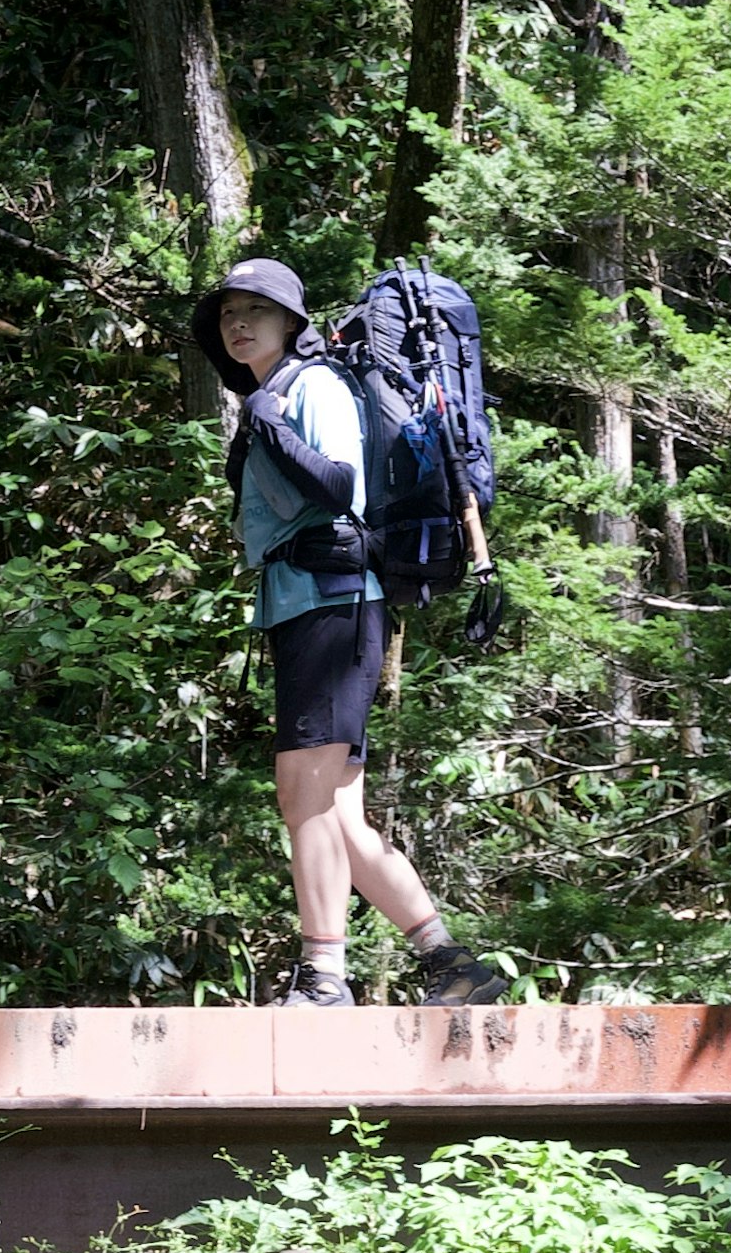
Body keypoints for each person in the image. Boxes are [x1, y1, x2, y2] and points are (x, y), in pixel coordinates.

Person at [192, 255, 511, 1007]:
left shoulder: (315, 386)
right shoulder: (275, 393)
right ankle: (451, 965)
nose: (239, 323)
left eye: (256, 311)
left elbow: (339, 485)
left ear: (292, 321)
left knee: (300, 796)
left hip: (333, 607)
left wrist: (270, 425)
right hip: (310, 606)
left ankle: (325, 978)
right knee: (338, 812)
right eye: (229, 314)